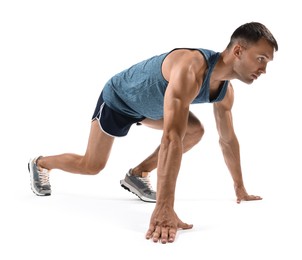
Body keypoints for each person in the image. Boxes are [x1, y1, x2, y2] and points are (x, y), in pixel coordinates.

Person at [28, 21, 278, 243]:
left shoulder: (225, 92)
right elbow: (171, 138)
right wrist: (164, 207)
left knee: (194, 131)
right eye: (261, 59)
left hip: (151, 109)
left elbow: (227, 139)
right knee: (92, 165)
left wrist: (240, 187)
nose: (264, 69)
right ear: (238, 51)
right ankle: (40, 164)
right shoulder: (190, 67)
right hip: (119, 100)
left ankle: (138, 174)